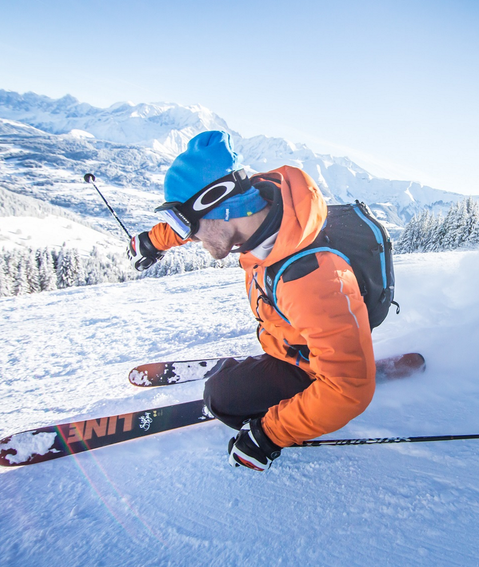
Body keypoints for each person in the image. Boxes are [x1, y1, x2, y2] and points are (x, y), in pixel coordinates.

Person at [128, 130, 376, 472]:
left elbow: (350, 390)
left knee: (221, 397)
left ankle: (288, 386)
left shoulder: (310, 280)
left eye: (187, 227)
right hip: (291, 332)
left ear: (220, 208)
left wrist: (269, 434)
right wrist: (153, 241)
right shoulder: (257, 201)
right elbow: (196, 213)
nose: (190, 238)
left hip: (308, 364)